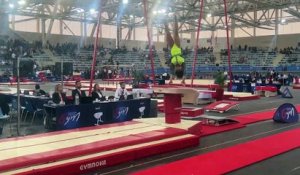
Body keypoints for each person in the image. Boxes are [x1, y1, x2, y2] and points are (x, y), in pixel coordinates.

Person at [164, 15, 185, 84]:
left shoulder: (173, 64)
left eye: (176, 69)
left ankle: (165, 20)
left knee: (167, 33)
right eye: (178, 69)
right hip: (178, 47)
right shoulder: (182, 62)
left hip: (172, 48)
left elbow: (171, 71)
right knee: (176, 32)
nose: (177, 68)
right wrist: (183, 79)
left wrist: (170, 80)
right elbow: (185, 71)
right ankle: (175, 18)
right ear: (180, 68)